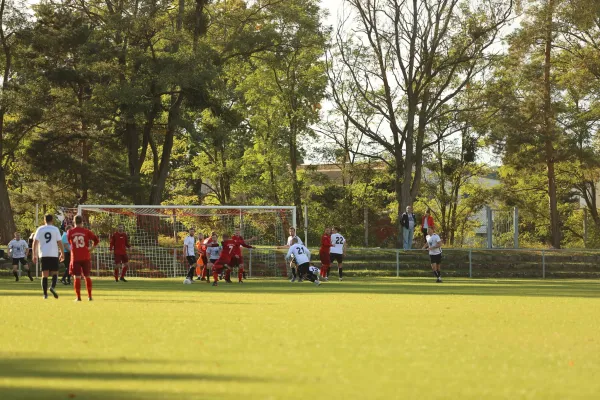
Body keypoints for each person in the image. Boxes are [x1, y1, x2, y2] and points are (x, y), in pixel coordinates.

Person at [32, 214, 65, 299]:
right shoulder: (55, 229)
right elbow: (59, 242)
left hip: (43, 254)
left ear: (44, 220)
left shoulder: (40, 229)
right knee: (55, 273)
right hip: (53, 254)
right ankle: (52, 287)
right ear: (52, 220)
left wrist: (34, 254)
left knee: (44, 274)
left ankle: (45, 294)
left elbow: (35, 242)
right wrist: (62, 253)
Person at [68, 215, 100, 301]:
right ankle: (89, 296)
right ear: (82, 222)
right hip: (86, 256)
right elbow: (96, 240)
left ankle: (78, 297)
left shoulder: (70, 232)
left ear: (74, 222)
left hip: (75, 257)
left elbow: (69, 243)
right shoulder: (86, 231)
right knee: (87, 276)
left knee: (77, 277)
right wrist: (91, 249)